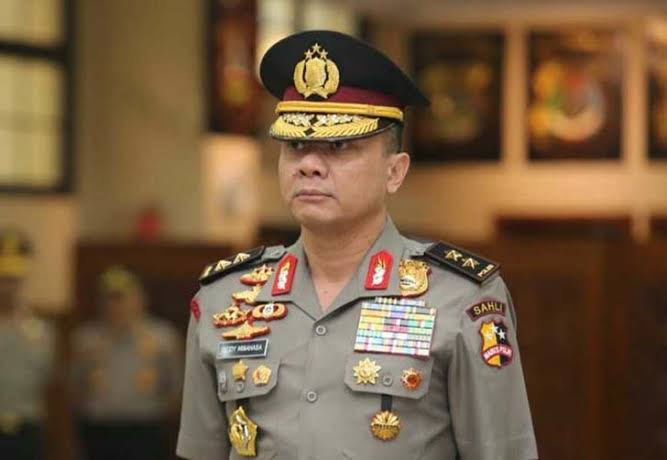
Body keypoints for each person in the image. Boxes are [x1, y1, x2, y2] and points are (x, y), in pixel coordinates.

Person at [177, 30, 538, 460]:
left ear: (394, 172)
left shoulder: (460, 299)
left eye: (338, 146)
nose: (310, 165)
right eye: (295, 145)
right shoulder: (225, 301)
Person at [71, 266, 182, 460]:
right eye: (109, 299)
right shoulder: (86, 340)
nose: (116, 305)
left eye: (122, 298)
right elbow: (73, 387)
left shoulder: (163, 338)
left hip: (146, 429)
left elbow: (175, 387)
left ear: (140, 299)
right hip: (99, 430)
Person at [0, 228, 54, 459]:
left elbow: (47, 380)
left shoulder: (40, 330)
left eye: (13, 279)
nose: (7, 287)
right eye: (3, 279)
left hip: (26, 429)